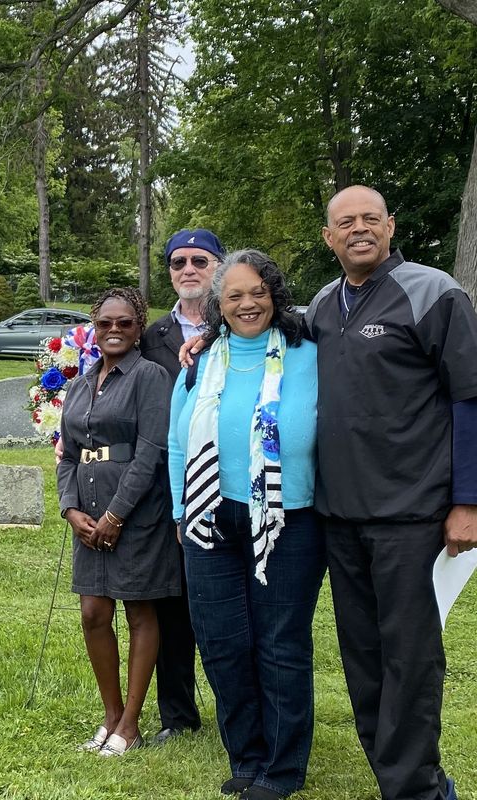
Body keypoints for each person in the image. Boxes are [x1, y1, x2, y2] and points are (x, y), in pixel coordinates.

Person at [306, 185, 477, 800]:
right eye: (344, 222)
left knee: (410, 656)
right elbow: (260, 336)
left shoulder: (434, 292)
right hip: (338, 513)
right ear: (328, 238)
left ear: (389, 226)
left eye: (369, 220)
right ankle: (395, 774)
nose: (358, 230)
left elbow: (469, 398)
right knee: (362, 655)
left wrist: (468, 501)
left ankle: (417, 788)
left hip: (410, 511)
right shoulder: (322, 305)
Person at [169, 250, 323, 800]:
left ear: (274, 294)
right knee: (222, 642)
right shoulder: (201, 360)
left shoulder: (310, 353)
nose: (247, 303)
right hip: (209, 519)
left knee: (279, 644)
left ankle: (281, 770)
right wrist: (180, 511)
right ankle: (247, 755)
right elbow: (174, 441)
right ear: (218, 305)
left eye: (257, 291)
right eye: (233, 295)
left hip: (288, 520)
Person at [57, 287, 178, 757]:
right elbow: (66, 453)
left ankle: (130, 723)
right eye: (105, 322)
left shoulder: (149, 377)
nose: (114, 330)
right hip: (87, 512)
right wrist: (71, 511)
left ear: (138, 326)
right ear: (94, 326)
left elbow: (151, 453)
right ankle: (108, 716)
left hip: (137, 513)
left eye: (124, 323)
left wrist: (115, 515)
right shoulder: (80, 384)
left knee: (139, 612)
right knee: (93, 613)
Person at [137, 227, 225, 745]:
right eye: (177, 263)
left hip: (225, 478)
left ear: (217, 265)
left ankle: (236, 702)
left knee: (217, 600)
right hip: (165, 485)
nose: (188, 270)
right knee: (171, 602)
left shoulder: (238, 320)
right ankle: (177, 713)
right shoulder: (151, 337)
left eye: (199, 260)